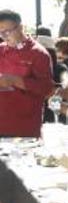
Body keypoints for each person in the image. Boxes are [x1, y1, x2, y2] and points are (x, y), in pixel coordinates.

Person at [0, 9, 54, 137]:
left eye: (7, 31)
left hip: (24, 129)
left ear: (20, 27)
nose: (4, 36)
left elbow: (47, 88)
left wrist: (14, 80)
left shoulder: (38, 53)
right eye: (1, 33)